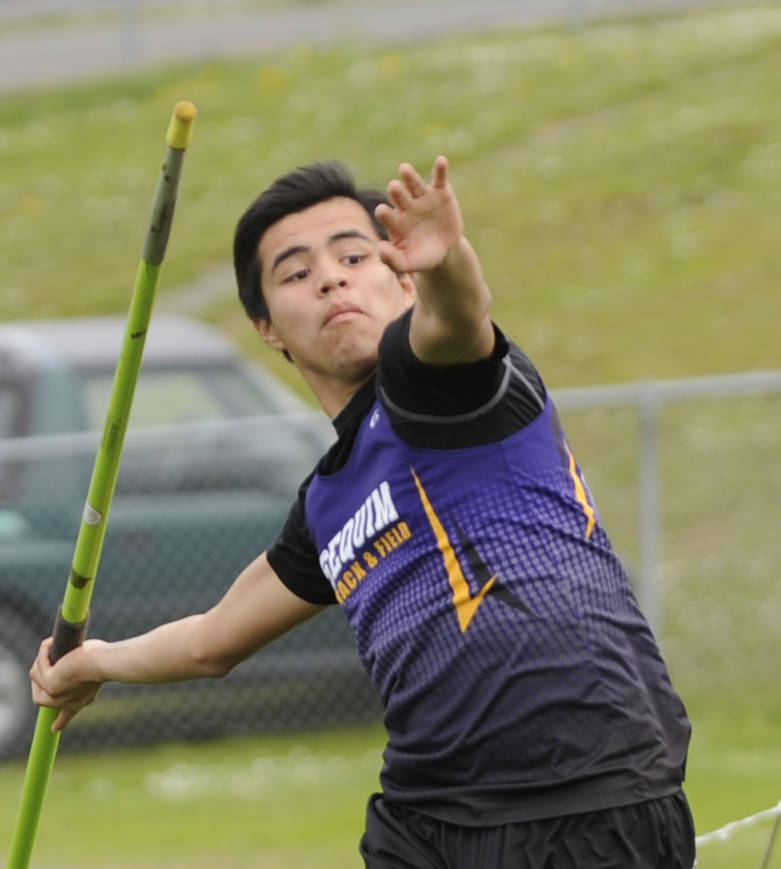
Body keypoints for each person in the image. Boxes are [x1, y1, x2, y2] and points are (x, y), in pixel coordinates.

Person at [30, 156, 695, 868]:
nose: (329, 276)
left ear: (401, 277)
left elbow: (458, 320)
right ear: (268, 327)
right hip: (426, 815)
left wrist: (448, 261)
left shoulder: (436, 387)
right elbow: (209, 640)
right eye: (294, 272)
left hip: (584, 797)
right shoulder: (326, 503)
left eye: (354, 254)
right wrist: (95, 660)